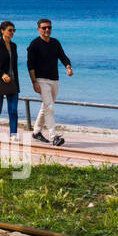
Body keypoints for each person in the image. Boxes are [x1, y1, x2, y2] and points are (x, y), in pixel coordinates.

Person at [26, 18, 72, 146]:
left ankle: (36, 132)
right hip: (41, 80)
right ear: (38, 29)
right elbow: (30, 65)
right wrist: (34, 82)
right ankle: (54, 136)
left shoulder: (55, 43)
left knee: (46, 106)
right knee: (49, 107)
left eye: (49, 27)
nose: (47, 30)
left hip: (54, 79)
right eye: (44, 28)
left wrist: (68, 67)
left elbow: (62, 56)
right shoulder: (34, 45)